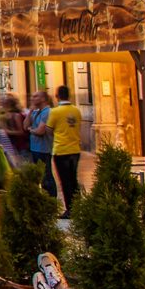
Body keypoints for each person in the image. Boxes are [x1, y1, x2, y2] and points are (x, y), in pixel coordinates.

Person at [45, 85, 83, 215]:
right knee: (74, 179)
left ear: (57, 96)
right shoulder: (77, 111)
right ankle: (78, 206)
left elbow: (48, 130)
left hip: (61, 150)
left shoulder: (55, 112)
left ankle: (70, 209)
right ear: (69, 95)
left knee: (65, 181)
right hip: (75, 149)